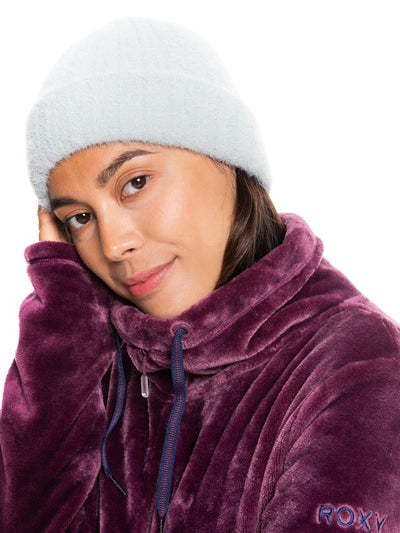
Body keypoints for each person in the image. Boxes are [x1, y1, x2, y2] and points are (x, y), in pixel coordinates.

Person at [1, 16, 399, 533]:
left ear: (227, 158)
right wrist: (62, 316)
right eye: (80, 217)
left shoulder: (360, 364)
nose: (114, 244)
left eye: (135, 182)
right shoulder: (100, 364)